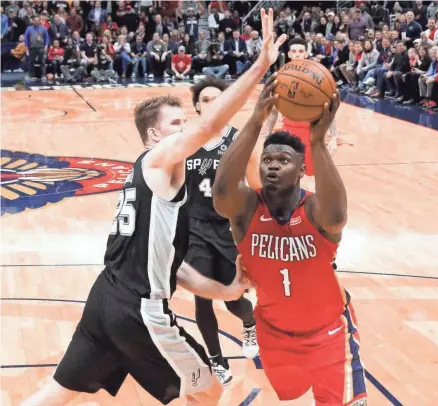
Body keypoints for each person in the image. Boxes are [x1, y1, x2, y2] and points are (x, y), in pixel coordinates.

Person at [20, 9, 286, 406]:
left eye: (184, 122)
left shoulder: (148, 180)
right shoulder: (160, 162)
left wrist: (226, 289)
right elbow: (211, 126)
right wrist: (259, 67)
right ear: (153, 136)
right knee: (210, 392)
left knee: (57, 393)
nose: (186, 129)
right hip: (140, 311)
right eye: (177, 124)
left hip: (105, 298)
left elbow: (173, 269)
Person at [212, 76, 367, 406]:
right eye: (268, 160)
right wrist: (255, 121)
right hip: (274, 334)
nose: (271, 166)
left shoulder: (314, 209)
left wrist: (319, 142)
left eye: (283, 160)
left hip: (330, 333)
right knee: (292, 399)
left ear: (300, 169)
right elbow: (222, 193)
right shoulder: (247, 208)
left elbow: (337, 216)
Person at [185, 76, 261, 386]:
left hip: (228, 228)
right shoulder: (184, 140)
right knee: (202, 297)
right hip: (193, 229)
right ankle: (216, 360)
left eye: (218, 98)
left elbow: (256, 186)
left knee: (233, 301)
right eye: (205, 99)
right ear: (196, 107)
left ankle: (250, 321)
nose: (212, 103)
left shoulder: (238, 140)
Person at [265, 38, 337, 192]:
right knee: (288, 176)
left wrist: (334, 137)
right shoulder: (281, 77)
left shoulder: (317, 76)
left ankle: (312, 212)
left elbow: (329, 110)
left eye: (301, 51)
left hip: (311, 133)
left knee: (311, 179)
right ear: (289, 54)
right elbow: (273, 111)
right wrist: (267, 133)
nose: (297, 54)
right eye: (294, 51)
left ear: (306, 53)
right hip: (289, 133)